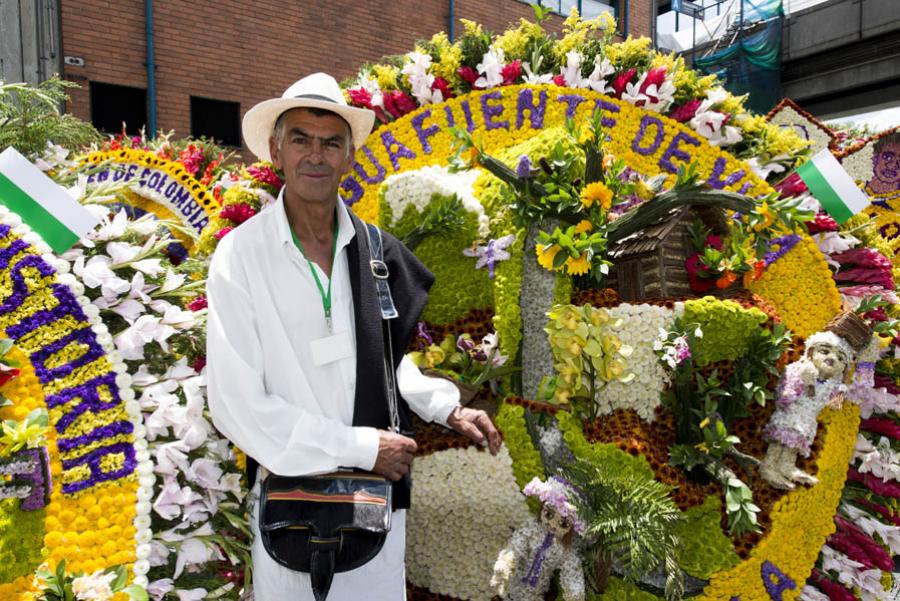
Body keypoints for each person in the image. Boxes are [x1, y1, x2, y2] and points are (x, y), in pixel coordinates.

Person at [206, 72, 502, 600]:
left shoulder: (377, 252)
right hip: (290, 510)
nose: (314, 155)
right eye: (300, 139)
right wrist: (361, 447)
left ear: (348, 157)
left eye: (330, 142)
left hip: (373, 509)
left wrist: (447, 407)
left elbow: (389, 360)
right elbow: (235, 404)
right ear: (276, 151)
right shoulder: (241, 256)